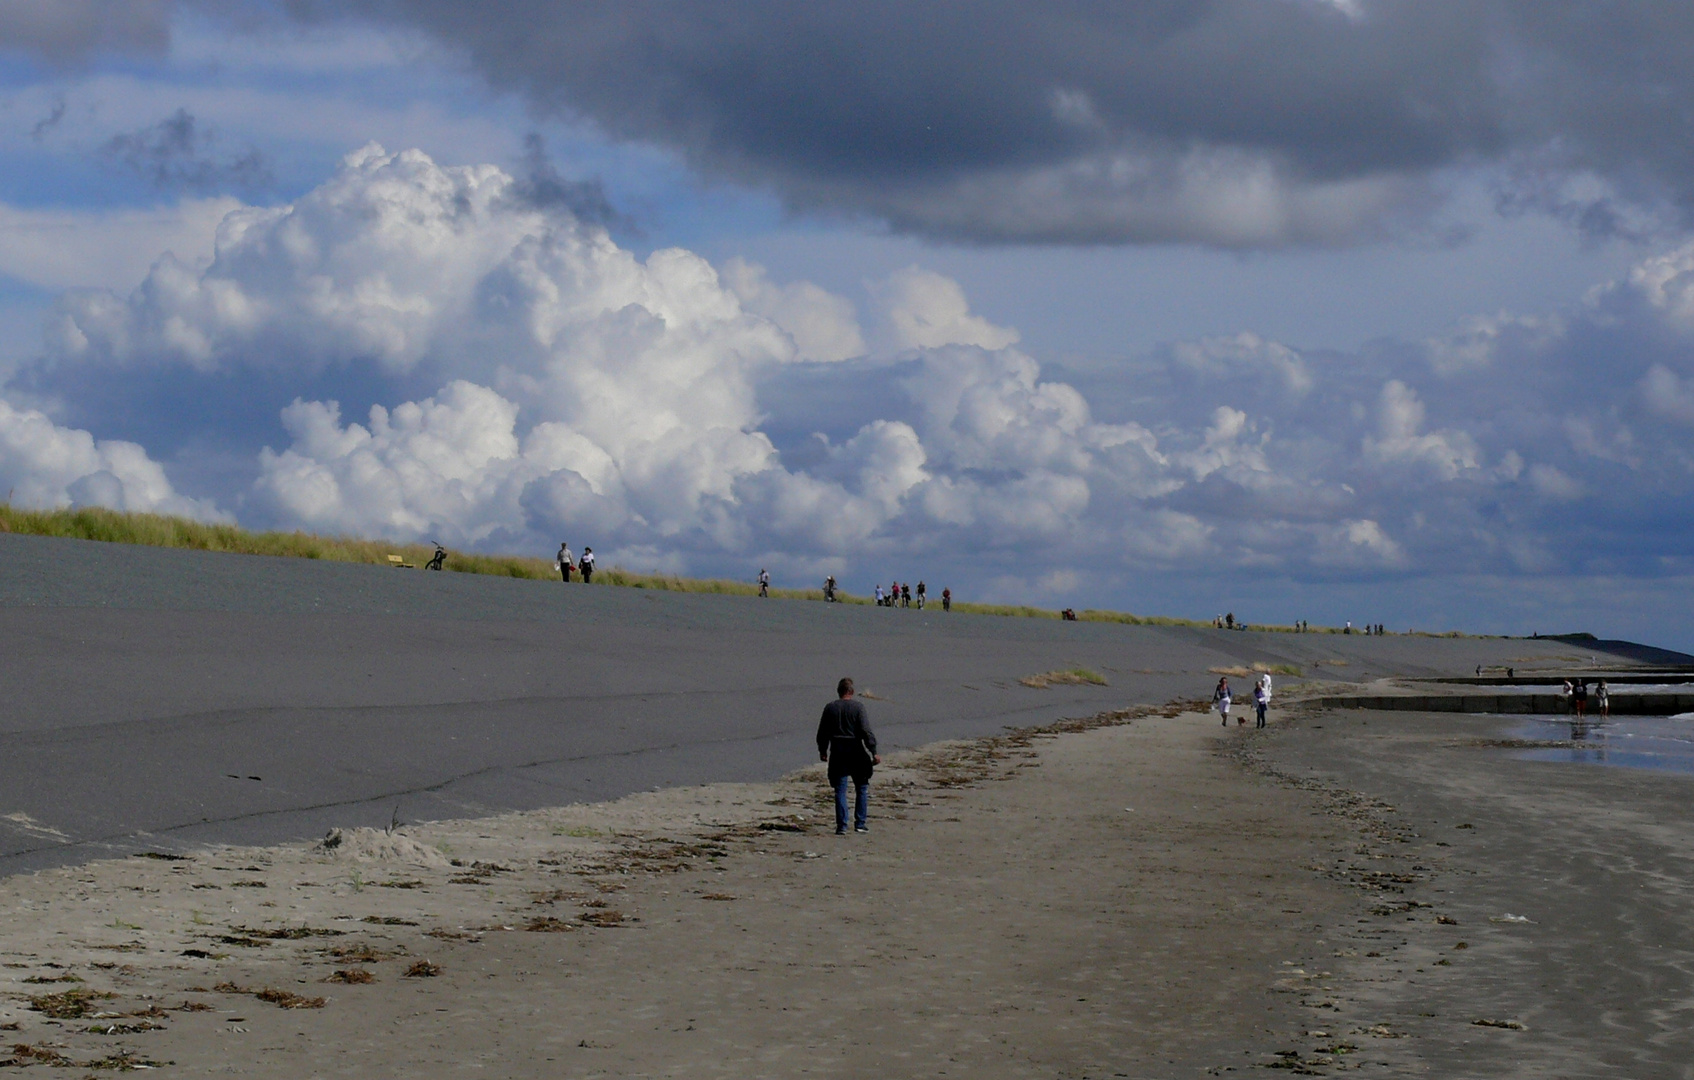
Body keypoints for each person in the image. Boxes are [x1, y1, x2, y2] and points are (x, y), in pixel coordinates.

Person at [816, 677, 879, 835]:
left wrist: (823, 750)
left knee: (840, 790)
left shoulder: (830, 708)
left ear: (839, 692)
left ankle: (842, 826)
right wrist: (874, 751)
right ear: (851, 691)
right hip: (856, 750)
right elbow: (866, 731)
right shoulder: (858, 708)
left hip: (838, 751)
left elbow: (822, 732)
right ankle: (860, 823)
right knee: (862, 788)